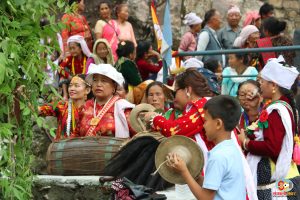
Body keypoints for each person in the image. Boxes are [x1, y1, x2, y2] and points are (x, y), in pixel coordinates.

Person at [238, 56, 300, 197]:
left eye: (262, 82)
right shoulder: (282, 107)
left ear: (273, 86)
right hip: (286, 176)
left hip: (277, 181)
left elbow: (272, 147)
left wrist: (246, 142)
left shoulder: (276, 111)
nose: (259, 86)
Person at [166, 95, 246, 200]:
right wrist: (195, 175)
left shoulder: (218, 156)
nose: (203, 126)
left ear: (218, 124)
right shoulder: (231, 148)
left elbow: (205, 198)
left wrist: (184, 172)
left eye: (206, 121)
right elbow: (215, 185)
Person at [146, 68, 215, 153]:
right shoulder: (205, 104)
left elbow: (172, 130)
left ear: (188, 90)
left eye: (175, 93)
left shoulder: (203, 106)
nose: (173, 98)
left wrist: (154, 118)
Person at [73, 63, 135, 138]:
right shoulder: (85, 106)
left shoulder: (124, 109)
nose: (98, 84)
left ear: (114, 86)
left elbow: (136, 137)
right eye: (95, 80)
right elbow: (76, 134)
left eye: (104, 81)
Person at [39, 75, 91, 140]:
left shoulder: (92, 109)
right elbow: (39, 110)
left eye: (76, 86)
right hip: (62, 148)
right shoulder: (62, 106)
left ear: (87, 90)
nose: (72, 89)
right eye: (70, 85)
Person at [59, 35, 91, 100]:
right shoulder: (69, 58)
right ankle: (65, 96)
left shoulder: (88, 58)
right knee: (62, 77)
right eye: (70, 49)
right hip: (73, 78)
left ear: (81, 48)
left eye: (74, 48)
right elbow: (60, 68)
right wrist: (68, 76)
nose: (72, 51)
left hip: (85, 79)